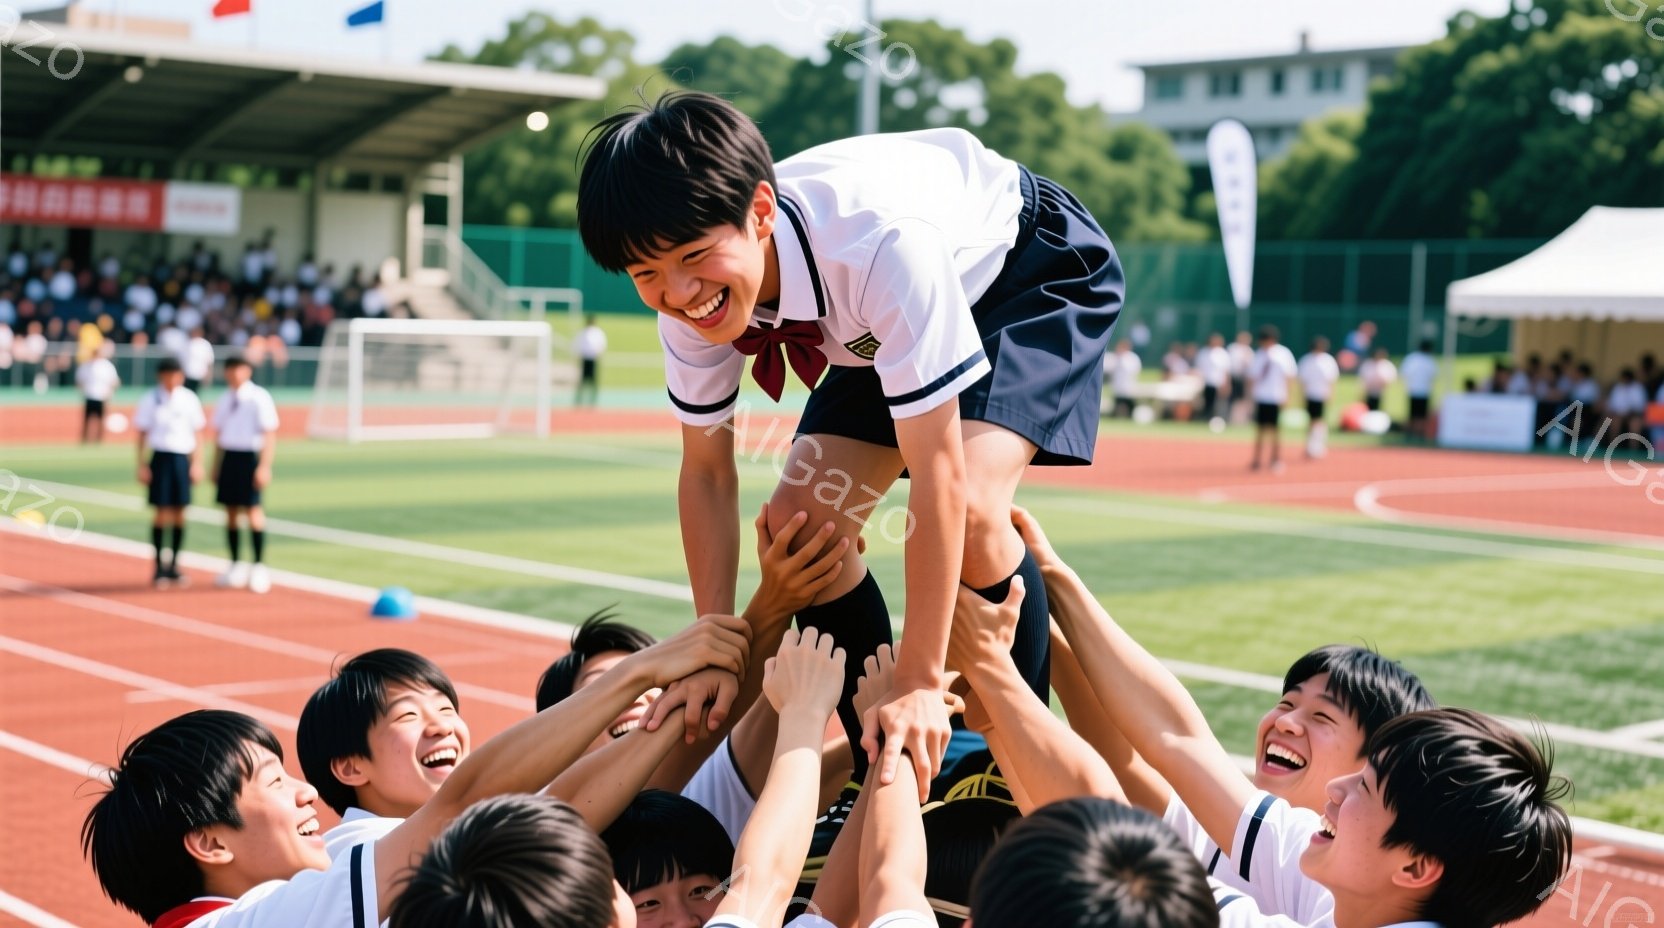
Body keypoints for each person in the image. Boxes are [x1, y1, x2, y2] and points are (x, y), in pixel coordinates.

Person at [577, 91, 1125, 798]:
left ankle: (1000, 784)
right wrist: (713, 640)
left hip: (1022, 271)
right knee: (800, 528)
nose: (679, 294)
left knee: (979, 509)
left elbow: (939, 472)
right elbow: (708, 471)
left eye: (694, 257)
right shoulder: (690, 301)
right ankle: (887, 775)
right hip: (870, 318)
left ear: (761, 213)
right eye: (645, 275)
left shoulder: (880, 246)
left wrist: (923, 682)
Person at [1015, 507, 1572, 928]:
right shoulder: (1349, 887)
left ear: (1416, 867)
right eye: (1287, 701)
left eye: (1365, 785)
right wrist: (1050, 582)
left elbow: (1125, 858)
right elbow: (1178, 742)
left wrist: (995, 671)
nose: (1335, 789)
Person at [82, 615, 750, 928]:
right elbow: (465, 807)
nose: (306, 790)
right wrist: (641, 674)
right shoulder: (257, 921)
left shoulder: (316, 878)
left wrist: (664, 714)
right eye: (273, 781)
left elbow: (539, 817)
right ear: (210, 842)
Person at [297, 649, 471, 859]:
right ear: (351, 768)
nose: (442, 726)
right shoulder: (359, 851)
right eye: (408, 715)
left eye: (446, 709)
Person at [134, 358, 205, 588]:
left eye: (177, 374)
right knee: (161, 513)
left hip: (182, 458)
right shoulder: (151, 399)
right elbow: (142, 433)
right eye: (169, 374)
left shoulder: (189, 398)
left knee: (180, 512)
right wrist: (142, 464)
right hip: (161, 458)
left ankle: (174, 565)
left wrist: (197, 463)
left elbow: (198, 434)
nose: (173, 379)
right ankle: (158, 567)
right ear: (161, 376)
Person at [211, 356, 279, 593]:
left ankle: (259, 566)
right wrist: (216, 464)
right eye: (229, 369)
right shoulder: (225, 398)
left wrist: (264, 465)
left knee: (253, 510)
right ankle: (235, 564)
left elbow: (269, 433)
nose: (234, 374)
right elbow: (219, 433)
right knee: (230, 511)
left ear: (248, 371)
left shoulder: (259, 397)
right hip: (230, 456)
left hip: (250, 457)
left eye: (238, 369)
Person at [1246, 326, 1296, 473]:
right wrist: (1250, 396)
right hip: (1262, 397)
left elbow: (1289, 376)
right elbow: (1252, 377)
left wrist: (1288, 395)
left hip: (1276, 396)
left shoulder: (1282, 354)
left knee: (1275, 430)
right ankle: (1257, 460)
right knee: (1260, 430)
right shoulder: (1259, 355)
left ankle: (1275, 459)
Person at [1296, 336, 1339, 460]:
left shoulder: (1328, 360)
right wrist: (1302, 395)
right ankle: (1311, 445)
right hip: (1310, 394)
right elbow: (1302, 380)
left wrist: (1331, 393)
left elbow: (1332, 380)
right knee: (1311, 420)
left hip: (1322, 394)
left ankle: (1318, 445)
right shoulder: (1307, 360)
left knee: (1319, 420)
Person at [76, 342, 121, 444]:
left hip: (102, 396)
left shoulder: (107, 366)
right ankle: (85, 440)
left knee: (100, 420)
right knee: (87, 419)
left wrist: (110, 393)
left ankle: (99, 440)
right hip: (89, 395)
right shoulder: (86, 365)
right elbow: (79, 380)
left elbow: (114, 381)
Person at [1400, 340, 1438, 441]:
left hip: (1412, 389)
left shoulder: (1411, 358)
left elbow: (1404, 373)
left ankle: (1411, 433)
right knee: (1421, 415)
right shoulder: (1430, 360)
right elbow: (1434, 375)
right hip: (1424, 391)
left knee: (1412, 414)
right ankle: (1419, 434)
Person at [1193, 333, 1230, 423]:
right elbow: (1199, 368)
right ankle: (1205, 418)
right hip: (1206, 382)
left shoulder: (1222, 353)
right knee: (1206, 402)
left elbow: (1226, 370)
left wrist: (1226, 383)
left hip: (1218, 383)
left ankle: (1218, 419)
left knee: (1219, 403)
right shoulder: (1204, 352)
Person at [576, 313, 608, 407]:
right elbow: (579, 345)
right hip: (585, 359)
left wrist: (600, 354)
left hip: (593, 359)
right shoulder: (583, 332)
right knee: (582, 381)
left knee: (593, 381)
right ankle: (579, 400)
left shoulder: (597, 332)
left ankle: (592, 401)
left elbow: (601, 345)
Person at [1107, 339, 1142, 419]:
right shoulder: (1115, 357)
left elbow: (1132, 370)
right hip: (1117, 387)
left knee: (1130, 406)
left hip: (1128, 386)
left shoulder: (1132, 358)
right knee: (1117, 406)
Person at [1358, 347, 1395, 413]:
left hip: (1382, 391)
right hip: (1369, 391)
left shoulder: (1386, 365)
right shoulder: (1368, 364)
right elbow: (1363, 378)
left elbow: (1391, 378)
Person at [183, 326, 215, 393]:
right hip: (189, 374)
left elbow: (209, 361)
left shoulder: (204, 344)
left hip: (198, 374)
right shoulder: (188, 343)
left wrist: (208, 374)